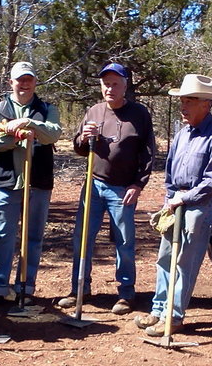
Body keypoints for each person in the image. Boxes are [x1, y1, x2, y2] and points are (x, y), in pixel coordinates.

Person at [134, 74, 212, 336]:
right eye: (182, 100)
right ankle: (158, 310)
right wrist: (170, 198)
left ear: (207, 104)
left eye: (190, 100)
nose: (183, 106)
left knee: (184, 262)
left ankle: (174, 317)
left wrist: (184, 198)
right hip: (175, 201)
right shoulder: (181, 135)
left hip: (200, 206)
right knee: (165, 257)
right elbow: (170, 172)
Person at [58, 62, 155, 315]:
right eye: (106, 84)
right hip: (93, 184)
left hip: (123, 188)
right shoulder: (94, 111)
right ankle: (79, 288)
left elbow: (148, 152)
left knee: (124, 241)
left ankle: (126, 293)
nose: (109, 88)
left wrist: (138, 183)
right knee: (83, 238)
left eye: (115, 84)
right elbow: (79, 147)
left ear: (125, 85)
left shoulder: (139, 114)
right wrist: (83, 138)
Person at [0, 61, 62, 304]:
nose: (24, 84)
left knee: (33, 236)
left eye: (29, 79)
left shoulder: (47, 109)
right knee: (1, 235)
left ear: (35, 81)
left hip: (38, 183)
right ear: (10, 82)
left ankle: (26, 286)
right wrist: (16, 138)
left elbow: (53, 133)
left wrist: (30, 124)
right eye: (19, 79)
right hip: (5, 183)